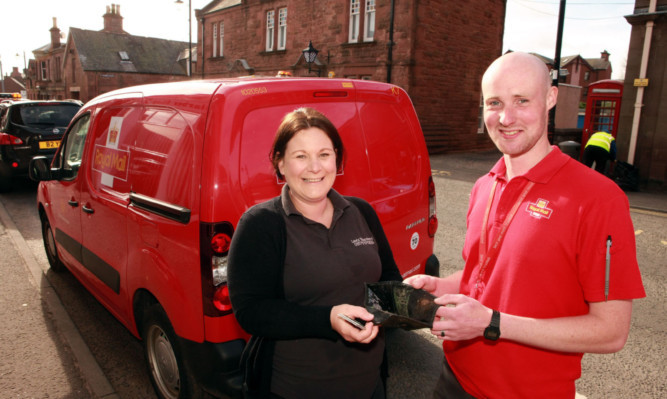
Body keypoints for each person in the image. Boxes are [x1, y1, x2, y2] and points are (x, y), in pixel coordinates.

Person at [405, 52, 645, 398]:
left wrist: (492, 324)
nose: (505, 117)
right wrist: (441, 286)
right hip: (453, 380)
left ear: (550, 98)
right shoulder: (484, 185)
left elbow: (611, 332)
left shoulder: (599, 198)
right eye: (494, 102)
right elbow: (488, 277)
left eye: (521, 101)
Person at [228, 107, 402, 399]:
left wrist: (410, 303)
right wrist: (329, 320)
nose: (315, 167)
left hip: (369, 385)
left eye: (324, 154)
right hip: (293, 389)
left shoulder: (361, 212)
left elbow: (388, 277)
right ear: (280, 163)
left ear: (337, 158)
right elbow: (251, 311)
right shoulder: (260, 224)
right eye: (300, 156)